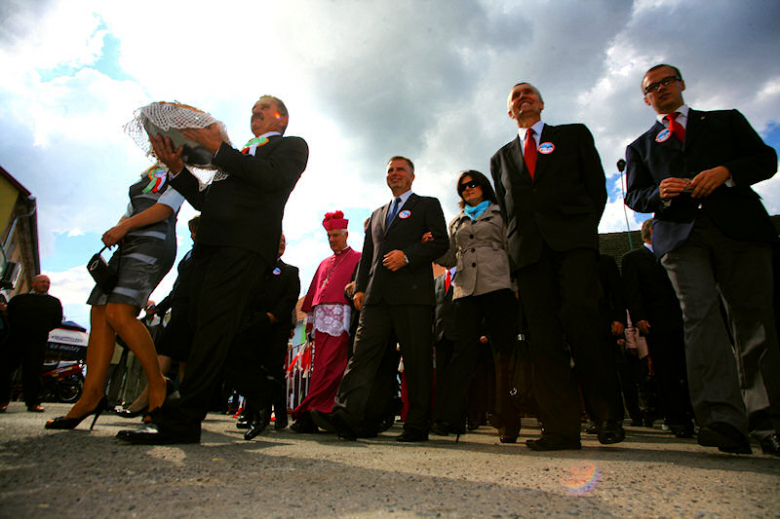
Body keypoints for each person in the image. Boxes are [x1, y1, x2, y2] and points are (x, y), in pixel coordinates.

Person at [118, 95, 308, 444]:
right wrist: (177, 169)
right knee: (196, 326)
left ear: (281, 118)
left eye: (265, 108)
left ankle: (183, 421)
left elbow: (269, 179)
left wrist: (219, 149)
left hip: (244, 247)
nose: (257, 111)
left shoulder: (291, 147)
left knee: (212, 330)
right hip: (209, 246)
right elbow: (208, 201)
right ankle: (258, 387)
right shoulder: (236, 154)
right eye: (253, 108)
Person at [624, 64, 780, 456]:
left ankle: (768, 420)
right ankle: (722, 420)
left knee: (753, 319)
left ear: (681, 85)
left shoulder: (725, 121)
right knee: (700, 319)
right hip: (680, 236)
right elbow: (634, 196)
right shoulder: (640, 147)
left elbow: (764, 159)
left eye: (666, 82)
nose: (660, 90)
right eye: (651, 88)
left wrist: (727, 172)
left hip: (738, 229)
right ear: (645, 98)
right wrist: (659, 192)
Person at [490, 82, 624, 451]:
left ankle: (607, 417)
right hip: (530, 256)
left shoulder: (574, 135)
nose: (522, 98)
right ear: (509, 112)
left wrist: (579, 230)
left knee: (583, 322)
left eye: (528, 92)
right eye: (514, 95)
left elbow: (596, 188)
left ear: (542, 102)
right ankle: (561, 428)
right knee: (543, 339)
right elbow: (509, 209)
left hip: (573, 246)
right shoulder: (500, 157)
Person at [311, 156, 448, 442]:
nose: (394, 174)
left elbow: (440, 242)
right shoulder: (376, 214)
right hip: (376, 299)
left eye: (400, 170)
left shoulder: (427, 205)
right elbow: (369, 257)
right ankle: (346, 417)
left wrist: (408, 256)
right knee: (362, 357)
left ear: (412, 176)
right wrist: (360, 288)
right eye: (390, 170)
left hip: (412, 297)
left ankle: (417, 425)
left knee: (416, 360)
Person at [46, 163, 183, 430]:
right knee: (99, 311)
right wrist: (120, 227)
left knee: (119, 313)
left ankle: (158, 387)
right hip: (128, 241)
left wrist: (124, 227)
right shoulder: (147, 174)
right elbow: (130, 210)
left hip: (153, 243)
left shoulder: (180, 168)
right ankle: (91, 395)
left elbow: (166, 207)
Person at [430, 170, 520, 443]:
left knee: (503, 353)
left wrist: (516, 285)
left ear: (484, 187)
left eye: (473, 184)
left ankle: (507, 420)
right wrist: (431, 245)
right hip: (465, 290)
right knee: (462, 354)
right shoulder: (456, 221)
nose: (468, 189)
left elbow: (512, 247)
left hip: (497, 285)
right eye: (462, 187)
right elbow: (448, 257)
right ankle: (448, 417)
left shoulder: (500, 212)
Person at [114, 215, 200, 418]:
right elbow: (177, 288)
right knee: (179, 357)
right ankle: (170, 404)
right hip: (180, 308)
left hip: (192, 310)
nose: (193, 235)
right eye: (191, 231)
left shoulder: (207, 252)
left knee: (172, 354)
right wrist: (160, 308)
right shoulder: (189, 254)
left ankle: (152, 400)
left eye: (195, 230)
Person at [621, 219, 694, 437]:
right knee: (666, 373)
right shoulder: (633, 258)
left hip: (685, 319)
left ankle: (697, 413)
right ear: (653, 231)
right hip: (656, 322)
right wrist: (639, 318)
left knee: (690, 369)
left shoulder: (678, 253)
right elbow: (631, 291)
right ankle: (677, 419)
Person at [290, 211, 360, 433]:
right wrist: (310, 321)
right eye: (329, 236)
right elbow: (313, 295)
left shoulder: (358, 258)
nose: (332, 240)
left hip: (341, 320)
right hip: (321, 323)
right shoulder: (323, 263)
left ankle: (320, 408)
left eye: (336, 235)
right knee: (320, 367)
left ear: (346, 234)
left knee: (334, 366)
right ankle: (315, 408)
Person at [235, 233, 300, 439]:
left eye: (284, 242)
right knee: (252, 368)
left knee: (275, 371)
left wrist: (274, 316)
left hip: (276, 328)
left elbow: (291, 298)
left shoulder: (290, 271)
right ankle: (250, 413)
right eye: (277, 241)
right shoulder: (254, 268)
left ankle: (280, 415)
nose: (281, 244)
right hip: (253, 325)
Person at [0, 275, 63, 413]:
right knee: (4, 369)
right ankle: (2, 401)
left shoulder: (54, 302)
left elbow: (56, 322)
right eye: (42, 281)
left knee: (33, 372)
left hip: (37, 342)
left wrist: (41, 329)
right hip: (15, 339)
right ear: (33, 283)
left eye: (48, 282)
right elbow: (9, 316)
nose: (45, 284)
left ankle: (33, 402)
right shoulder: (19, 300)